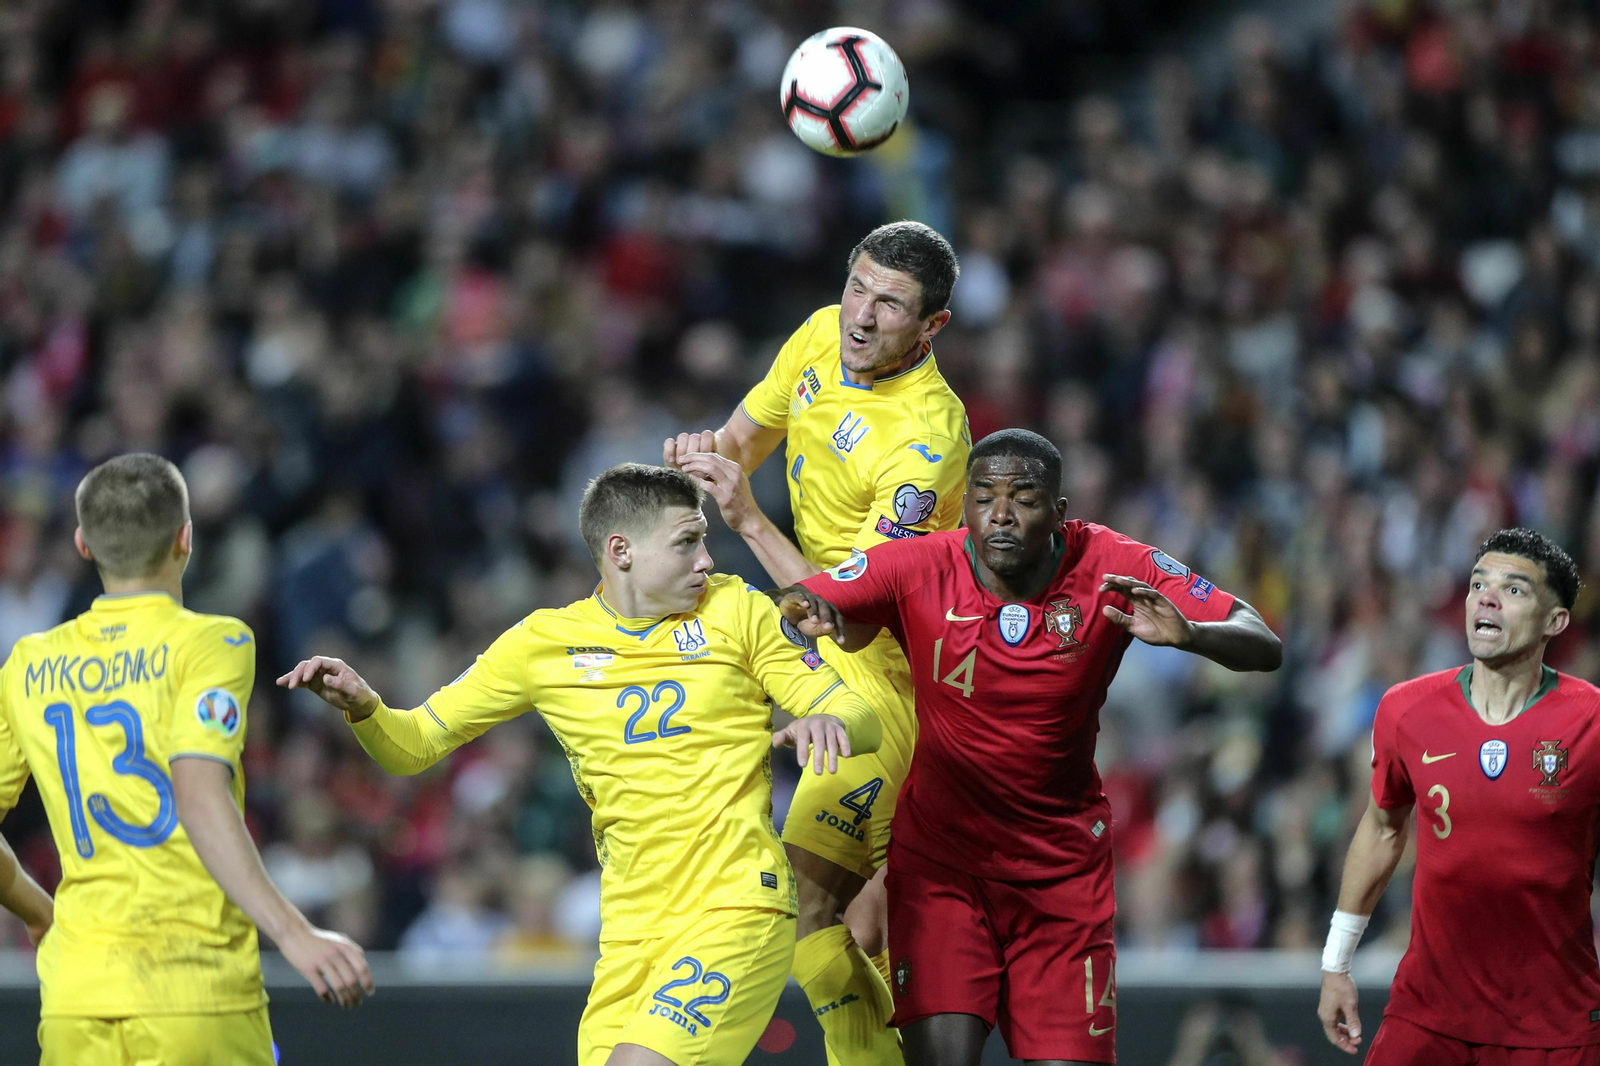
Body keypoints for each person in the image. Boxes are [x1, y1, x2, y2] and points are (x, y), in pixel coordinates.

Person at [279, 463, 882, 1066]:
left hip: (736, 910)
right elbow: (413, 746)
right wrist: (365, 708)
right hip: (627, 935)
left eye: (704, 540)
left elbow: (859, 712)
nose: (705, 560)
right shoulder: (545, 642)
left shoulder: (739, 609)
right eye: (686, 542)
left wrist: (830, 721)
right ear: (620, 550)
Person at [776, 429, 1283, 1066]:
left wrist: (1192, 636)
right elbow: (801, 600)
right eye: (984, 496)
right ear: (965, 506)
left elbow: (1261, 639)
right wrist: (807, 630)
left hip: (1060, 880)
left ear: (1060, 512)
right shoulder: (920, 565)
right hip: (943, 871)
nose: (1001, 514)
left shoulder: (1115, 565)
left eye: (1023, 497)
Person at [665, 219, 969, 1066]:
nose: (862, 318)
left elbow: (853, 614)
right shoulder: (817, 337)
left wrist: (747, 518)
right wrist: (685, 475)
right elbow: (738, 443)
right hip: (810, 662)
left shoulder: (927, 439)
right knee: (847, 931)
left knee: (816, 910)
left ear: (932, 327)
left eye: (892, 305)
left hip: (889, 686)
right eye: (857, 288)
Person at [0, 453, 372, 1066]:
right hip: (196, 994)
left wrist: (40, 911)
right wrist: (294, 933)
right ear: (185, 539)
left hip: (76, 1001)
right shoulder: (213, 643)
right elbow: (198, 794)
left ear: (81, 544)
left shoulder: (28, 663)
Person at [1318, 529, 1600, 1065]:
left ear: (1555, 621)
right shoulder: (1407, 710)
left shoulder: (1592, 720)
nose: (1487, 598)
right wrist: (1336, 961)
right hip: (1428, 1015)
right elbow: (1382, 829)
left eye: (1514, 590)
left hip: (1555, 1026)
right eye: (1478, 584)